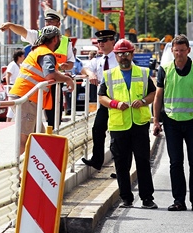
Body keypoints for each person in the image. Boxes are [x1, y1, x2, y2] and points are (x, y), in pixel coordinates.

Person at [152, 34, 193, 212]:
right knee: (175, 162)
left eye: (182, 50)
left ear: (189, 50)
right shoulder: (165, 69)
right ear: (172, 51)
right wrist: (156, 121)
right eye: (176, 50)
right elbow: (158, 97)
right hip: (171, 122)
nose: (179, 53)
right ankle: (178, 200)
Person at [98, 39, 157, 209]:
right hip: (118, 125)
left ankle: (147, 198)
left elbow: (153, 93)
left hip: (139, 124)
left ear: (132, 54)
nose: (123, 57)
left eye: (126, 53)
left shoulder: (143, 73)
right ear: (115, 56)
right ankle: (126, 198)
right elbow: (102, 97)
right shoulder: (109, 75)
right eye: (120, 54)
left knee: (143, 162)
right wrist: (115, 104)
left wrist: (143, 101)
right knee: (121, 165)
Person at [0, 7, 76, 128]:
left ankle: (53, 132)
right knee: (34, 115)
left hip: (55, 82)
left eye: (51, 21)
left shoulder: (66, 41)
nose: (48, 24)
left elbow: (71, 62)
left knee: (54, 115)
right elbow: (23, 31)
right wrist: (10, 25)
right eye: (47, 21)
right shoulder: (39, 35)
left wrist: (65, 66)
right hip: (40, 82)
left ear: (58, 23)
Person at [8, 26, 75, 155]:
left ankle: (32, 171)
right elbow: (50, 75)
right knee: (25, 139)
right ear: (55, 39)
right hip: (26, 98)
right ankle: (18, 172)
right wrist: (67, 79)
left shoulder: (39, 51)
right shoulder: (46, 53)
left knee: (38, 137)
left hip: (27, 97)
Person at [81, 30, 119, 170]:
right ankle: (97, 160)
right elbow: (83, 69)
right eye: (99, 42)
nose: (101, 44)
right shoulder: (98, 60)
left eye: (104, 41)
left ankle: (120, 168)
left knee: (117, 137)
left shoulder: (118, 57)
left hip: (118, 102)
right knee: (97, 129)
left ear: (112, 42)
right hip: (104, 102)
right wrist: (90, 73)